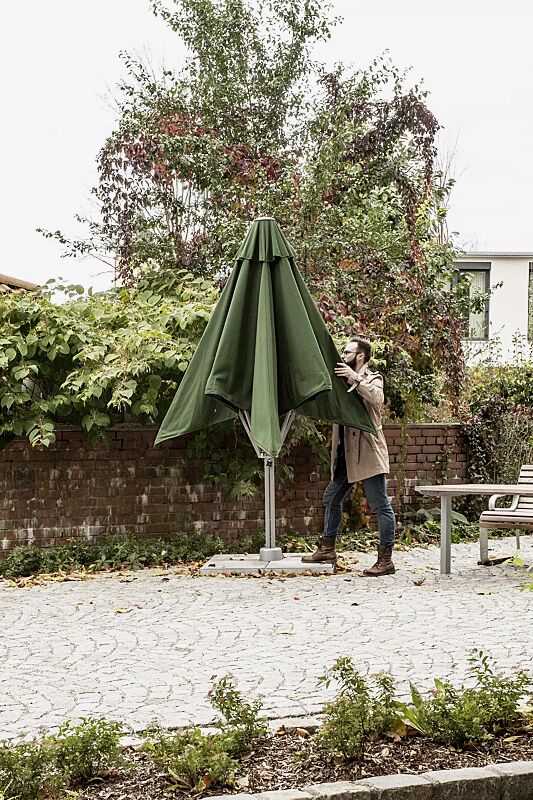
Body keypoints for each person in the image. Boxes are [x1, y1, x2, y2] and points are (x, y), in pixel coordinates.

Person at [302, 337, 396, 575]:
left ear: (360, 356)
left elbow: (376, 398)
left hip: (367, 453)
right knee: (331, 498)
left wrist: (354, 377)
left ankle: (385, 560)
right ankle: (327, 547)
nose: (343, 357)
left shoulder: (372, 378)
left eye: (347, 353)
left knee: (380, 506)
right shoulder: (342, 382)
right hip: (345, 455)